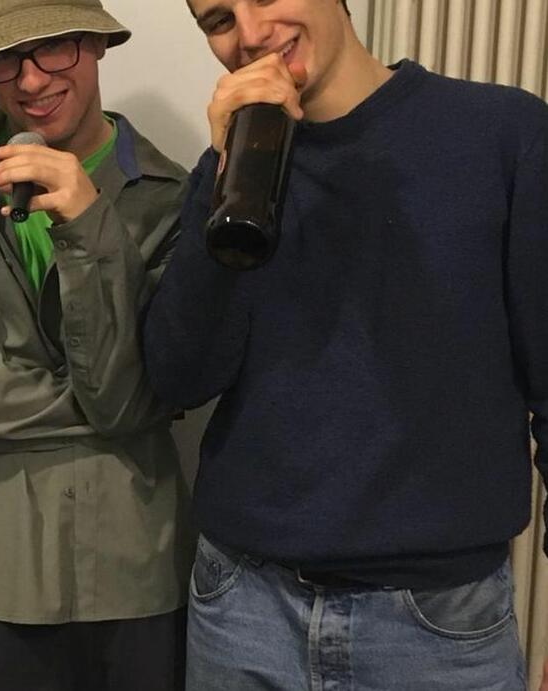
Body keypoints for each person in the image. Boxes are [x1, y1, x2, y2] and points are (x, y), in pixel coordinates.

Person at [142, 0, 548, 688]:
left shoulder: (502, 135)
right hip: (244, 605)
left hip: (438, 623)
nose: (250, 34)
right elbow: (178, 376)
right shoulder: (232, 170)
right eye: (218, 19)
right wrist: (222, 177)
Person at [0, 0, 195, 688]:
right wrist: (121, 404)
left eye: (53, 46)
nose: (29, 80)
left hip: (132, 571)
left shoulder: (172, 198)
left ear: (96, 43)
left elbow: (163, 380)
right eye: (2, 58)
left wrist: (89, 223)